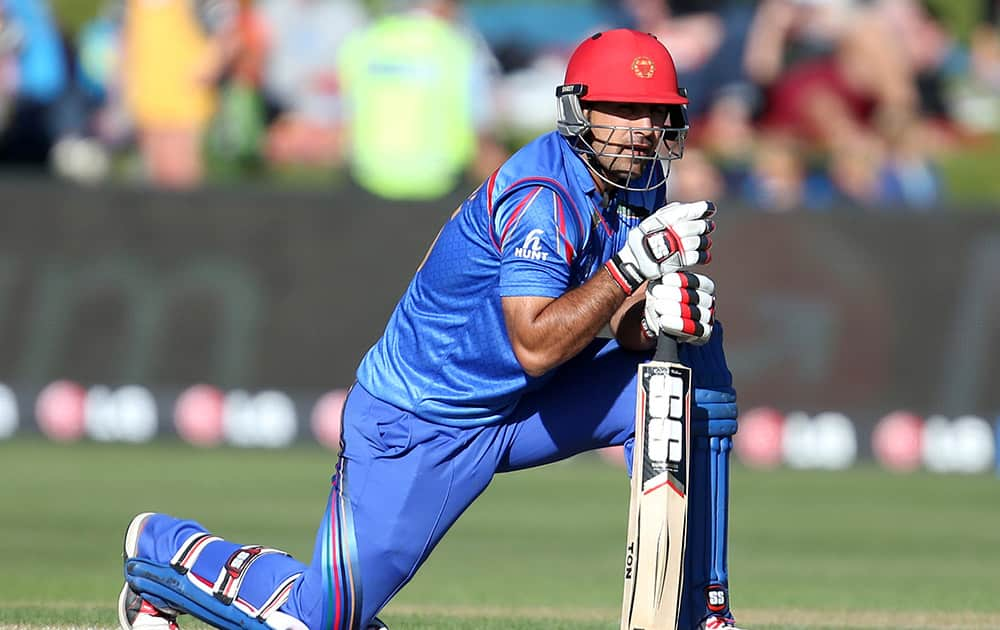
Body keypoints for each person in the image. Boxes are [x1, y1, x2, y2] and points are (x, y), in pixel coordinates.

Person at [117, 28, 744, 630]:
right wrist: (632, 267)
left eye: (657, 112)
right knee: (321, 621)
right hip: (420, 419)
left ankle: (702, 608)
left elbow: (613, 325)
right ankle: (159, 549)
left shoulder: (641, 179)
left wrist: (659, 313)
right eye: (625, 110)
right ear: (579, 111)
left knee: (689, 362)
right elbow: (535, 344)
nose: (643, 130)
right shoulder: (543, 195)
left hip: (524, 406)